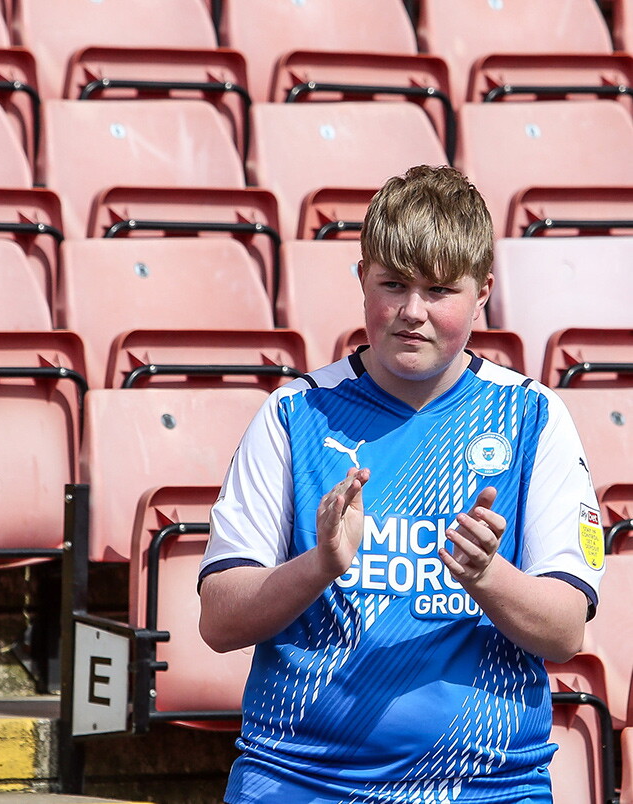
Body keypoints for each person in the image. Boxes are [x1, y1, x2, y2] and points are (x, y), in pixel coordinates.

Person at [198, 164, 605, 804]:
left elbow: (565, 632)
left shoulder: (533, 417)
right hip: (301, 780)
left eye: (440, 291)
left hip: (487, 786)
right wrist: (321, 564)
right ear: (361, 279)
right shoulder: (292, 415)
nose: (412, 313)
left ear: (483, 293)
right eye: (393, 285)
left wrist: (487, 576)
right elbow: (219, 621)